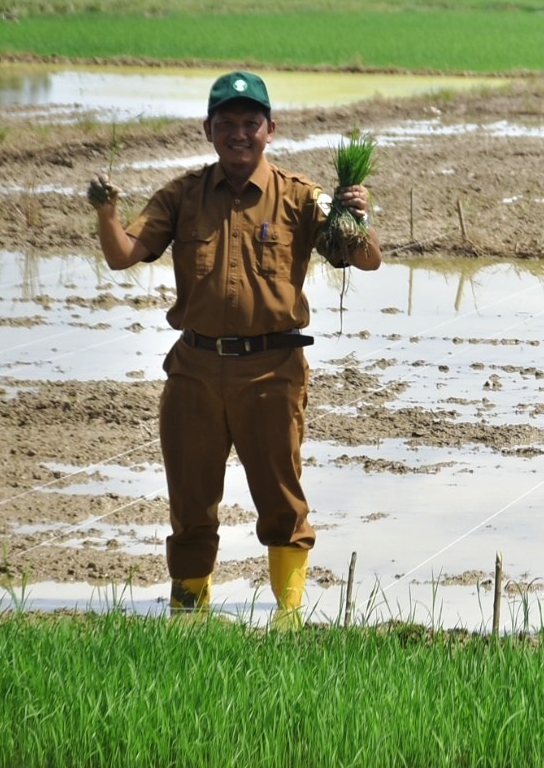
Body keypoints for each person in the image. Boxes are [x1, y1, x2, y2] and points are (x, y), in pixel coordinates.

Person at [89, 71, 381, 627]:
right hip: (195, 371)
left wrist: (355, 216)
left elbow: (365, 260)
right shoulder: (182, 195)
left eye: (251, 123)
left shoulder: (299, 196)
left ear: (271, 130)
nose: (239, 134)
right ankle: (189, 612)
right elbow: (123, 254)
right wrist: (106, 214)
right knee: (190, 500)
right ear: (208, 130)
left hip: (273, 372)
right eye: (227, 124)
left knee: (281, 498)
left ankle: (288, 616)